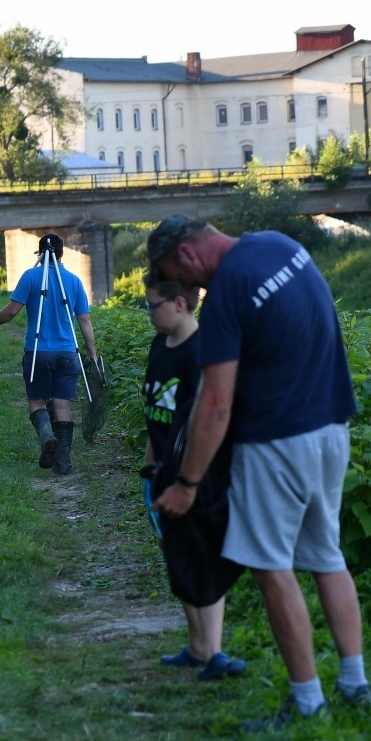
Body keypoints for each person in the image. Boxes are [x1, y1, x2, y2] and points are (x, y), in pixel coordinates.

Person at [146, 214, 370, 729]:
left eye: (176, 275)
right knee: (327, 556)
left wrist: (187, 484)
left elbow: (216, 403)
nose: (187, 288)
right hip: (331, 427)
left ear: (186, 255)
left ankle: (308, 701)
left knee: (272, 569)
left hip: (275, 441)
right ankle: (355, 683)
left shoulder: (227, 290)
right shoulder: (281, 244)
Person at [140, 269, 246, 681]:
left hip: (194, 475)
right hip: (162, 471)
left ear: (179, 303)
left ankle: (214, 652)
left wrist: (191, 476)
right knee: (177, 556)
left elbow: (210, 415)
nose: (149, 313)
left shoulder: (203, 351)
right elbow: (154, 409)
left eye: (153, 305)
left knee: (202, 555)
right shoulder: (158, 344)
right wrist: (150, 464)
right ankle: (198, 646)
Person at [0, 233, 98, 475]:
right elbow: (84, 319)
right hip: (67, 352)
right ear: (62, 253)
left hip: (37, 353)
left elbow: (12, 311)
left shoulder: (30, 277)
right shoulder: (74, 281)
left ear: (40, 254)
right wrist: (92, 354)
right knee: (63, 403)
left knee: (37, 401)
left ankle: (46, 437)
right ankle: (63, 463)